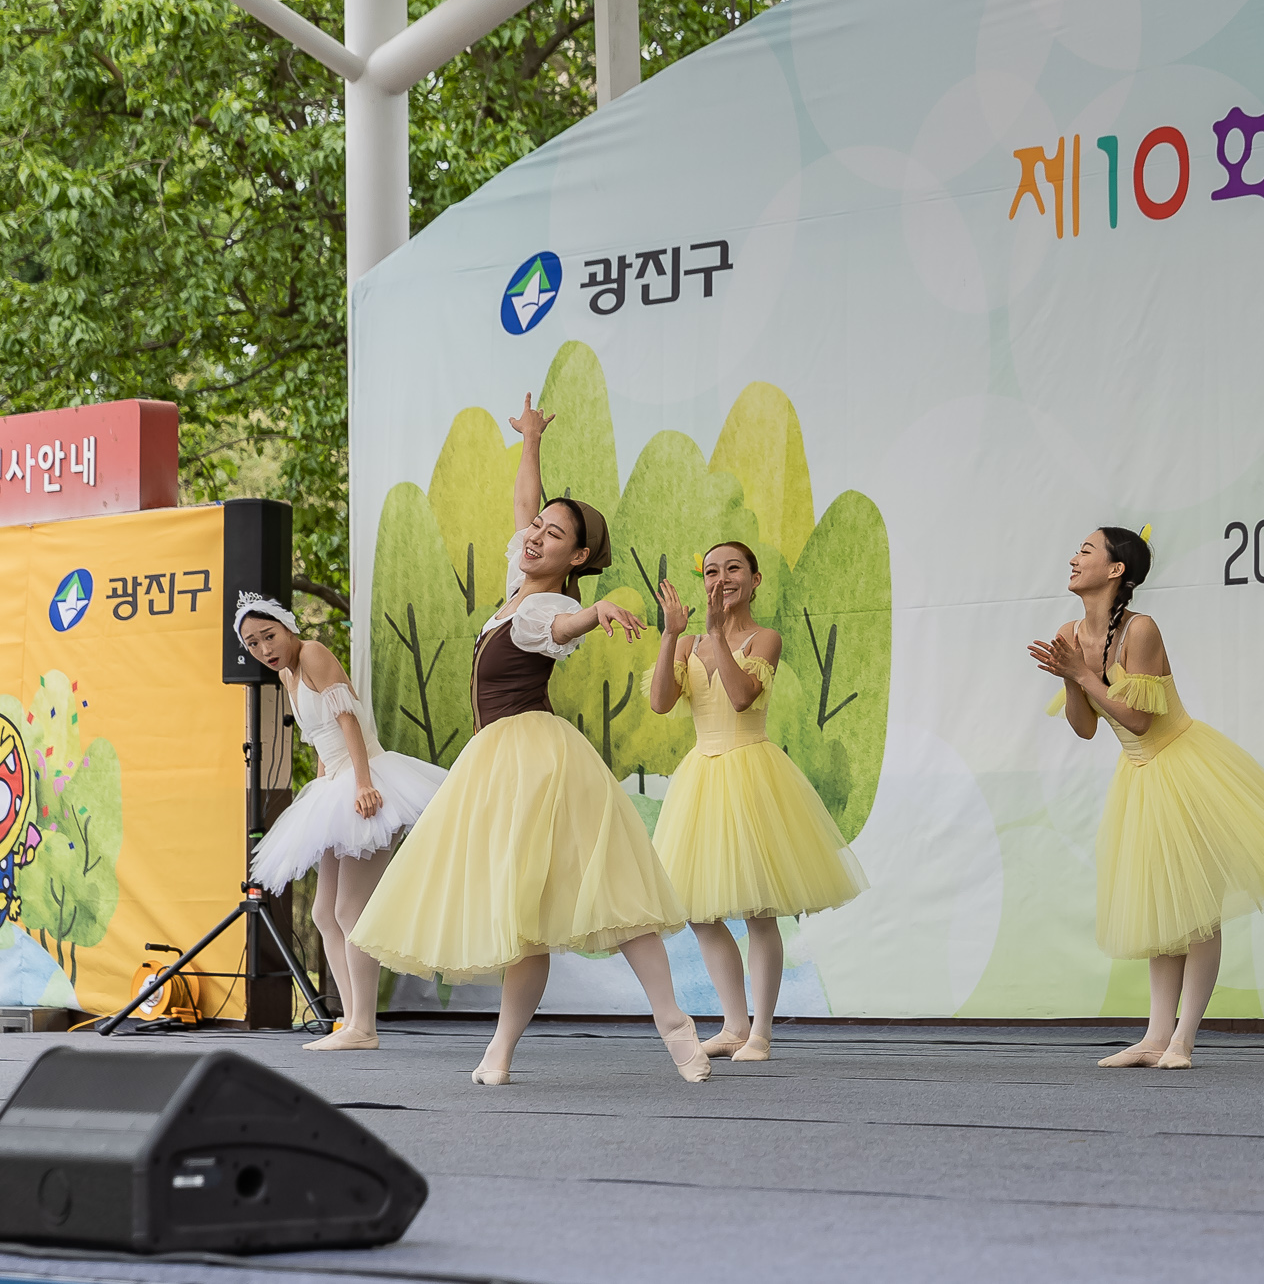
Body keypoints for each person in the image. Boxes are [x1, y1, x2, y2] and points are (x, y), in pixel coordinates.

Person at [351, 395, 708, 1086]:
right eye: (538, 526)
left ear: (577, 555)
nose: (536, 532)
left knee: (612, 889)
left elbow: (567, 629)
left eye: (554, 532)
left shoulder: (555, 605)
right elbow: (524, 501)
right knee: (525, 917)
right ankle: (500, 1052)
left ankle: (675, 1024)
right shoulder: (519, 581)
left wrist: (601, 609)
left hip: (538, 758)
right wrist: (533, 440)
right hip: (497, 763)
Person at [1030, 526, 1264, 1069]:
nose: (1073, 558)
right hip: (1140, 777)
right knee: (1161, 909)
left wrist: (1080, 671)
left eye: (1086, 550)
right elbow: (1084, 728)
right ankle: (1153, 1037)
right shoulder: (1070, 632)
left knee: (1197, 910)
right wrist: (1073, 677)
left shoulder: (1141, 629)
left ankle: (1183, 1040)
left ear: (1116, 570)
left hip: (1183, 765)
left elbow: (1141, 720)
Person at [646, 541, 868, 1062]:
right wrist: (672, 635)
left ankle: (762, 1033)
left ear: (755, 579)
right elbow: (660, 703)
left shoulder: (766, 638)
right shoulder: (689, 641)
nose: (721, 579)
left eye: (733, 569)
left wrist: (719, 633)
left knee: (759, 910)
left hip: (752, 773)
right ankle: (733, 1025)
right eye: (711, 571)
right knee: (699, 912)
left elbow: (742, 695)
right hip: (702, 777)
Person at [240, 595, 445, 1052]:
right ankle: (351, 1020)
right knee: (322, 912)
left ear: (288, 627)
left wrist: (363, 783)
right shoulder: (285, 674)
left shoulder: (311, 653)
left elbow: (348, 721)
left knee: (352, 909)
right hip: (336, 782)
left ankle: (364, 1026)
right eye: (252, 644)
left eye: (269, 636)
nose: (264, 649)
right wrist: (322, 792)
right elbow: (321, 742)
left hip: (365, 780)